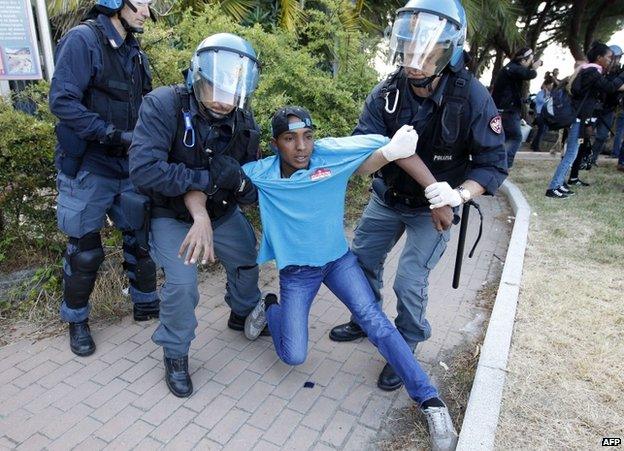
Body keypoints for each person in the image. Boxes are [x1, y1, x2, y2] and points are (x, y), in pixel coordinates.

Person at [207, 106, 457, 450]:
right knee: (293, 356)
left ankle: (430, 400)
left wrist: (433, 191)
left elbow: (387, 145)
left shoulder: (331, 154)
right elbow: (220, 176)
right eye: (290, 138)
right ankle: (270, 306)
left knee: (376, 322)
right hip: (296, 274)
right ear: (276, 143)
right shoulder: (260, 173)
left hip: (339, 262)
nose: (301, 147)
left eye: (307, 136)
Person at [328, 0, 508, 394]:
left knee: (410, 279)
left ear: (451, 50)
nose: (416, 60)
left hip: (434, 209)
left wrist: (457, 195)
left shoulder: (473, 98)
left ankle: (406, 341)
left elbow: (493, 164)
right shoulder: (386, 94)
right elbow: (361, 165)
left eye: (427, 52)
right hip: (388, 197)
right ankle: (364, 318)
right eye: (409, 49)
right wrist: (386, 154)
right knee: (360, 262)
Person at [129, 33, 266, 397]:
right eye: (215, 89)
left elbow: (251, 192)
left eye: (232, 91)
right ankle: (175, 352)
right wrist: (204, 179)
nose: (222, 101)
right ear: (196, 77)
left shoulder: (244, 123)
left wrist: (237, 182)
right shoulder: (164, 105)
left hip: (221, 211)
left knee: (246, 259)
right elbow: (144, 170)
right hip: (170, 213)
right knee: (182, 284)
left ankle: (242, 311)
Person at [49, 0, 159, 357]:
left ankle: (145, 302)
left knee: (141, 237)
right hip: (89, 166)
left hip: (128, 166)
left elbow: (145, 103)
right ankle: (77, 319)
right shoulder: (82, 40)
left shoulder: (133, 48)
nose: (146, 12)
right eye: (141, 3)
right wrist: (112, 134)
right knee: (84, 251)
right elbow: (62, 102)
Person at [546, 42, 624, 198]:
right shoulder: (592, 72)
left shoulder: (588, 71)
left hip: (580, 117)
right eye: (609, 58)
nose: (610, 61)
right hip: (578, 118)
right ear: (599, 57)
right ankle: (553, 187)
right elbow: (609, 87)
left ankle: (560, 184)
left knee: (572, 153)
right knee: (571, 154)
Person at [492, 46, 541, 168]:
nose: (532, 61)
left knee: (504, 138)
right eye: (530, 59)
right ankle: (502, 165)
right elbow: (528, 74)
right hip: (508, 110)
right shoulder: (513, 68)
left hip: (503, 109)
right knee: (516, 137)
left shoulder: (509, 68)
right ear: (523, 60)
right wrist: (534, 69)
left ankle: (497, 163)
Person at [590, 45, 623, 164]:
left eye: (618, 58)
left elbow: (616, 87)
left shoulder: (620, 73)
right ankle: (579, 157)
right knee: (584, 134)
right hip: (594, 107)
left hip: (609, 109)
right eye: (613, 57)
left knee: (602, 136)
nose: (615, 61)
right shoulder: (599, 70)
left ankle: (592, 159)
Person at [530, 75, 555, 152]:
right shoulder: (541, 93)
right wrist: (546, 94)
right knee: (542, 130)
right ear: (547, 85)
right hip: (540, 114)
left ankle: (534, 144)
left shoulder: (549, 93)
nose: (551, 87)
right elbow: (541, 101)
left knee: (543, 130)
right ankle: (535, 146)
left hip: (545, 115)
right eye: (550, 85)